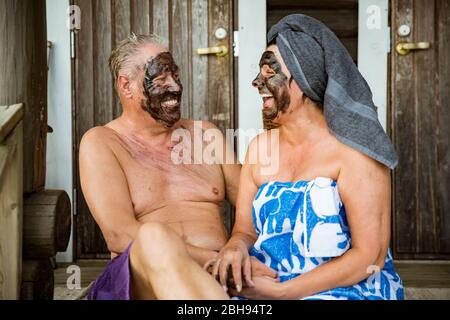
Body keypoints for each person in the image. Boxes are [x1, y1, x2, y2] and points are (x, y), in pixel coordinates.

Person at [208, 14, 404, 300]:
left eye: (269, 73)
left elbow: (367, 257)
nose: (256, 82)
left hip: (346, 288)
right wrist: (235, 248)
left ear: (304, 80)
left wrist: (283, 292)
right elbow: (244, 231)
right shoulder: (259, 149)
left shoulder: (356, 152)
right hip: (266, 283)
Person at [80, 34, 245, 300]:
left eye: (175, 75)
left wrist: (237, 247)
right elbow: (119, 235)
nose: (176, 87)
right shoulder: (102, 143)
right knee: (154, 236)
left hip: (216, 279)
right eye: (160, 78)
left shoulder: (207, 136)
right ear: (127, 86)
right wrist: (215, 259)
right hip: (141, 283)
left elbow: (252, 209)